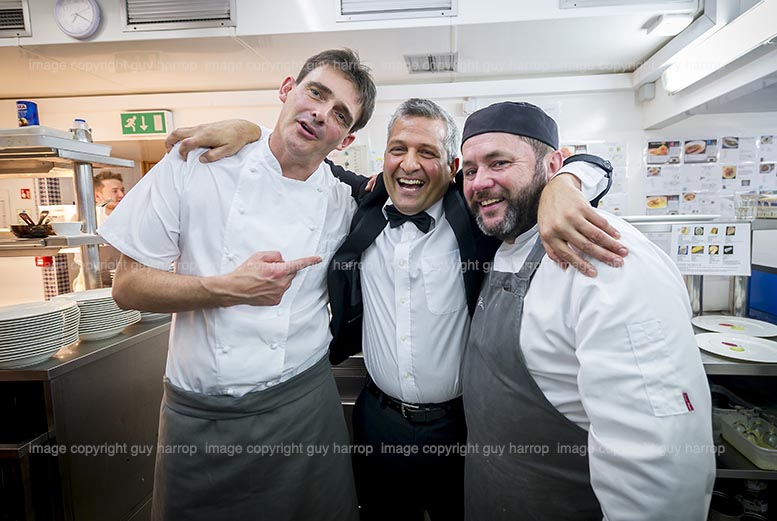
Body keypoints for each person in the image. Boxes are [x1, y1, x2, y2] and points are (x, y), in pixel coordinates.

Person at [164, 98, 623, 521]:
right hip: (377, 422)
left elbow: (591, 166)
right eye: (397, 149)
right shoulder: (361, 203)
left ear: (452, 166)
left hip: (462, 425)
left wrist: (567, 181)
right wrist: (252, 127)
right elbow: (302, 151)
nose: (409, 164)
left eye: (426, 152)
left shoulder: (481, 219)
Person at [99, 48, 377, 521]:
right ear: (288, 88)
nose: (319, 115)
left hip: (304, 410)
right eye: (316, 93)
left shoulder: (344, 200)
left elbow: (423, 183)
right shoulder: (196, 162)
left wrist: (555, 178)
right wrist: (227, 288)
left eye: (338, 115)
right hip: (203, 419)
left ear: (344, 139)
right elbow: (127, 286)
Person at [458, 101, 715, 520]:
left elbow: (659, 454)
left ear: (553, 165)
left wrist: (571, 180)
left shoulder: (606, 257)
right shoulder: (501, 240)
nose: (480, 182)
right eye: (469, 171)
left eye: (499, 162)